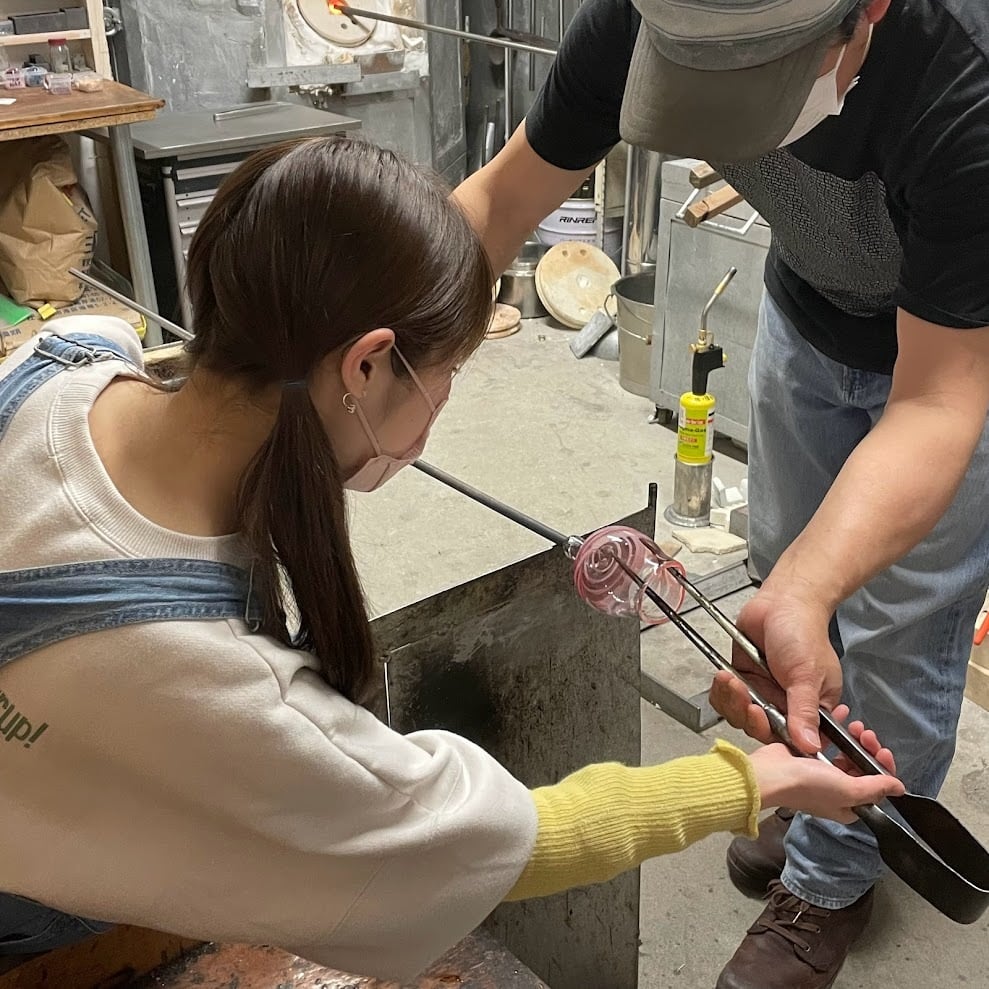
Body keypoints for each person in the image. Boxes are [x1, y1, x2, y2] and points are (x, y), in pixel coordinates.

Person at [0, 136, 903, 981]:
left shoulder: (59, 369)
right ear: (366, 366)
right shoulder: (215, 686)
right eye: (449, 374)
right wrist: (756, 779)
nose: (440, 406)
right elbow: (495, 842)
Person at [454, 0, 989, 986]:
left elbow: (934, 403)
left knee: (897, 627)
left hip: (955, 353)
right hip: (809, 305)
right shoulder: (641, 20)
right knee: (780, 567)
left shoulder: (963, 84)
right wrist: (360, 328)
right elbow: (498, 201)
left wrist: (812, 588)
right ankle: (811, 783)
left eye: (755, 79)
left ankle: (830, 881)